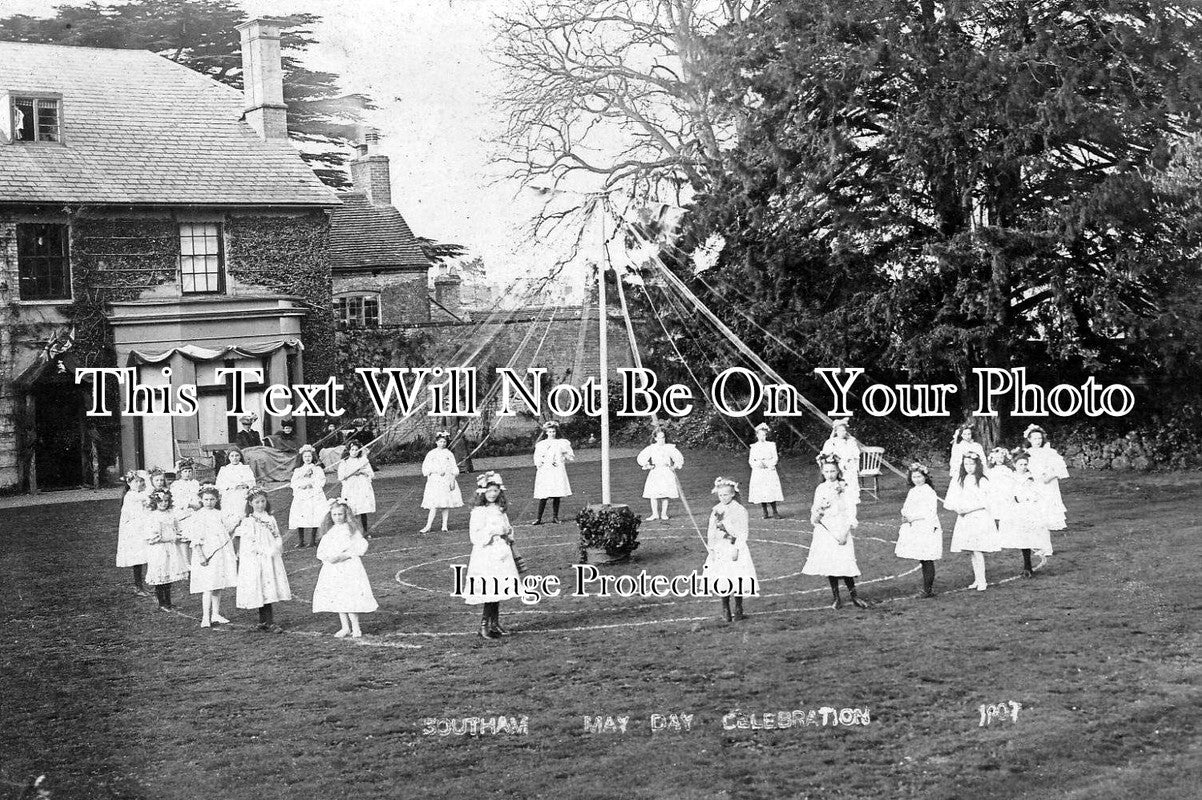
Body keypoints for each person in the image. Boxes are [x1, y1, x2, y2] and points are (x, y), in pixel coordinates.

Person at [803, 454, 871, 609]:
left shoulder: (844, 487)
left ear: (838, 471)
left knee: (845, 562)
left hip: (841, 527)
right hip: (825, 530)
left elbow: (851, 511)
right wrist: (817, 515)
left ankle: (854, 596)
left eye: (832, 471)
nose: (830, 474)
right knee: (830, 564)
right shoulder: (820, 488)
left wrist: (845, 532)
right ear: (822, 472)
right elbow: (815, 510)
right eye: (826, 472)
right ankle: (836, 597)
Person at [464, 471, 521, 640]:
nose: (493, 494)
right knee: (490, 588)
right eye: (489, 491)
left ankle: (494, 623)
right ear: (482, 492)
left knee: (499, 588)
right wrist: (493, 531)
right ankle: (484, 626)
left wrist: (508, 534)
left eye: (496, 491)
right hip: (486, 554)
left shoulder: (499, 509)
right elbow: (475, 537)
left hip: (501, 552)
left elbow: (507, 527)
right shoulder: (479, 511)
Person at [312, 498, 377, 638]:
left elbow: (361, 546)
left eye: (340, 514)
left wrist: (345, 555)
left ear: (345, 514)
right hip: (334, 568)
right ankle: (345, 627)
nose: (337, 517)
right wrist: (329, 558)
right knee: (338, 596)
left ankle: (356, 627)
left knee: (350, 595)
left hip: (349, 566)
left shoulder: (351, 529)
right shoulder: (330, 531)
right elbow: (322, 550)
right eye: (334, 515)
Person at [235, 489, 292, 633]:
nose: (260, 505)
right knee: (261, 586)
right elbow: (249, 542)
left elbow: (277, 534)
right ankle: (264, 621)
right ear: (250, 503)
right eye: (257, 502)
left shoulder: (270, 518)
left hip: (270, 557)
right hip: (257, 558)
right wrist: (264, 551)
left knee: (269, 585)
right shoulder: (249, 521)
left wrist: (276, 546)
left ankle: (269, 621)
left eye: (262, 501)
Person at [702, 477, 757, 622]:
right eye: (720, 495)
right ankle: (725, 609)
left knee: (738, 575)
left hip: (735, 548)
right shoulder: (716, 510)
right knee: (723, 577)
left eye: (726, 494)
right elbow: (711, 530)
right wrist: (711, 547)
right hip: (721, 548)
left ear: (732, 494)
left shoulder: (739, 510)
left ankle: (739, 609)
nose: (723, 497)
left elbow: (743, 531)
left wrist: (737, 548)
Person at [945, 450, 1000, 591]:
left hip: (979, 517)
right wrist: (958, 509)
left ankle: (983, 581)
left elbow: (985, 502)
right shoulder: (961, 480)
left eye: (972, 464)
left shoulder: (982, 480)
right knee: (971, 550)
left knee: (977, 550)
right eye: (966, 464)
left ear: (977, 465)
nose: (969, 467)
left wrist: (967, 510)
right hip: (965, 518)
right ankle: (977, 579)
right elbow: (954, 499)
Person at [184, 485, 238, 628]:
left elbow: (226, 531)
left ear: (217, 499)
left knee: (217, 584)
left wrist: (237, 522)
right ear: (201, 500)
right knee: (207, 585)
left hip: (219, 553)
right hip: (206, 553)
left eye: (212, 499)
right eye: (206, 499)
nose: (209, 502)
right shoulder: (198, 515)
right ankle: (205, 617)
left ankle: (216, 613)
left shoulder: (219, 513)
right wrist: (201, 555)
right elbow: (195, 538)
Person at [998, 449, 1054, 578]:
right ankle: (1026, 565)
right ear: (1014, 465)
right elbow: (1006, 493)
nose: (1023, 467)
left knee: (1029, 536)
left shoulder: (1032, 477)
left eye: (1025, 464)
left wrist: (1031, 498)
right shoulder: (1010, 477)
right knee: (1020, 536)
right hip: (1016, 509)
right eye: (1020, 464)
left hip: (1030, 509)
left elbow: (1039, 493)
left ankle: (1027, 565)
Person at [895, 463, 943, 597]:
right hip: (915, 527)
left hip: (926, 526)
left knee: (927, 558)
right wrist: (905, 514)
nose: (917, 479)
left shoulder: (929, 491)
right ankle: (927, 588)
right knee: (922, 558)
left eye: (919, 476)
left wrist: (911, 518)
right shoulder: (913, 491)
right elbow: (906, 507)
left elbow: (929, 512)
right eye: (914, 477)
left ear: (925, 477)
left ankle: (927, 589)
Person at [142, 489, 190, 611]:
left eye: (166, 501)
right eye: (160, 501)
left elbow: (177, 528)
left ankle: (168, 601)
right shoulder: (152, 516)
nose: (164, 504)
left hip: (170, 548)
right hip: (159, 548)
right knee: (160, 573)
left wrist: (180, 535)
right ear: (155, 502)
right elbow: (152, 536)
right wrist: (169, 537)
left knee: (169, 572)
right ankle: (161, 602)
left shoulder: (171, 513)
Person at [1023, 425, 1069, 531]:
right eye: (1035, 438)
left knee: (1048, 501)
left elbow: (1060, 468)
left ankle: (1050, 523)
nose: (1038, 441)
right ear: (1029, 439)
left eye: (1039, 438)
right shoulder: (1027, 453)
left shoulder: (1049, 452)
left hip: (1048, 481)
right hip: (1034, 482)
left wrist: (1050, 476)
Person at [116, 469, 152, 596]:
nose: (139, 484)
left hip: (141, 528)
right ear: (130, 483)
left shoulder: (139, 494)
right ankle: (138, 586)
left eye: (141, 482)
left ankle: (143, 584)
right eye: (136, 482)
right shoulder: (131, 496)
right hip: (134, 531)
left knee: (144, 556)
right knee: (137, 557)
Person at [637, 427, 684, 521]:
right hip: (656, 471)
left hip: (666, 471)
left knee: (665, 493)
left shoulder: (669, 447)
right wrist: (648, 465)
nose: (661, 440)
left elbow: (679, 458)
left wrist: (674, 466)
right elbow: (641, 458)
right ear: (655, 438)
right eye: (659, 438)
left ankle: (664, 514)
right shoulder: (652, 448)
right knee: (653, 494)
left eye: (663, 437)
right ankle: (655, 514)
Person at [420, 431, 463, 533]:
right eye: (440, 441)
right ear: (436, 442)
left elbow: (454, 468)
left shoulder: (449, 454)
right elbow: (426, 468)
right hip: (435, 481)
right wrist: (436, 471)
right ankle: (428, 525)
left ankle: (444, 525)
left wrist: (452, 479)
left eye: (444, 442)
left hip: (446, 481)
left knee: (445, 503)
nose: (442, 444)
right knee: (434, 504)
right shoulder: (431, 454)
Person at [532, 421, 574, 525]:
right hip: (546, 470)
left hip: (557, 469)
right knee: (544, 494)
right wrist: (539, 463)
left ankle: (555, 517)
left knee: (556, 493)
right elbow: (537, 457)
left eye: (553, 431)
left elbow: (569, 456)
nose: (552, 433)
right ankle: (538, 518)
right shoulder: (541, 444)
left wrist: (565, 455)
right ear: (546, 432)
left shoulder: (561, 443)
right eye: (550, 431)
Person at [288, 445, 327, 548]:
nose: (307, 458)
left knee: (315, 515)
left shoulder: (317, 468)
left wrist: (312, 484)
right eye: (305, 456)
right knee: (301, 515)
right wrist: (301, 486)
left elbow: (322, 480)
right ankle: (301, 540)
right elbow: (293, 482)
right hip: (302, 495)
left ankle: (312, 540)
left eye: (309, 456)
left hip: (314, 494)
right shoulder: (298, 470)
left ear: (312, 457)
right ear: (302, 458)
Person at [337, 441, 376, 536]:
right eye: (352, 450)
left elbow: (371, 474)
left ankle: (365, 531)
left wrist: (362, 472)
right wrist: (353, 473)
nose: (354, 452)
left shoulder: (363, 461)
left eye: (356, 450)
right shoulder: (344, 462)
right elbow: (341, 476)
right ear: (348, 451)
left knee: (362, 509)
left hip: (362, 487)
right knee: (351, 509)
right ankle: (353, 532)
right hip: (350, 488)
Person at [819, 419, 862, 505]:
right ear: (836, 431)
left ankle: (850, 499)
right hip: (837, 465)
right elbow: (826, 454)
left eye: (844, 430)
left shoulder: (851, 441)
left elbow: (855, 454)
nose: (842, 432)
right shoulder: (831, 442)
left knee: (849, 477)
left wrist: (849, 461)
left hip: (849, 465)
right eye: (840, 430)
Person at [747, 423, 784, 519]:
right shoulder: (754, 447)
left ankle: (775, 511)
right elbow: (751, 460)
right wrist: (758, 464)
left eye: (764, 435)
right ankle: (764, 511)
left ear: (766, 435)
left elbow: (775, 458)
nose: (762, 437)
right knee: (761, 490)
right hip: (759, 471)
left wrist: (768, 464)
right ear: (757, 435)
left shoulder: (771, 445)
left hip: (769, 469)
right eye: (760, 435)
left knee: (770, 490)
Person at [216, 448, 256, 529]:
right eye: (232, 456)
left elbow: (252, 482)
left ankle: (242, 529)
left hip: (243, 493)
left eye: (237, 455)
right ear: (228, 458)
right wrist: (232, 486)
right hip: (229, 494)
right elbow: (219, 484)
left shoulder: (246, 468)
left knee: (242, 512)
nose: (235, 458)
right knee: (229, 513)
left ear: (240, 457)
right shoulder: (224, 469)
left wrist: (246, 484)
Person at [170, 459, 202, 523]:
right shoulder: (176, 484)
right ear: (181, 473)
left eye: (189, 471)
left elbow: (197, 496)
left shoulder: (195, 483)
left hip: (194, 508)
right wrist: (186, 504)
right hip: (181, 508)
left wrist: (195, 505)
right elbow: (175, 498)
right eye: (185, 471)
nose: (188, 473)